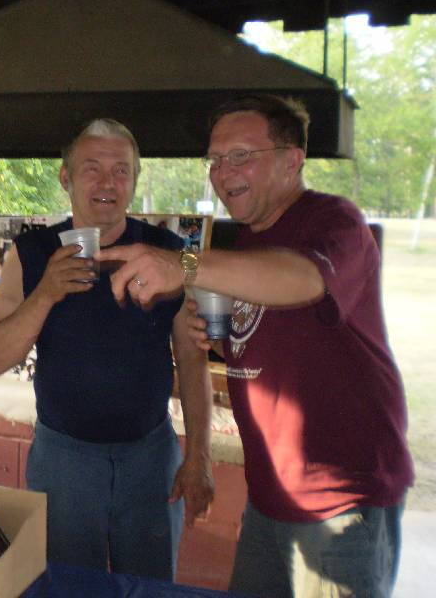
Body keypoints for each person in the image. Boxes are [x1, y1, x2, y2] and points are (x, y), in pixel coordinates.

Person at [98, 95, 414, 597]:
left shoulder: (334, 221)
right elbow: (273, 342)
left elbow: (306, 280)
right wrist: (220, 342)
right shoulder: (249, 240)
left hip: (339, 501)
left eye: (241, 155)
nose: (223, 172)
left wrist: (182, 264)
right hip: (268, 500)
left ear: (292, 160)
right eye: (215, 160)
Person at [0, 119, 214, 580]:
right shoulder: (28, 252)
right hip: (62, 458)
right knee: (68, 587)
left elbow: (194, 358)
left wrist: (199, 458)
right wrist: (46, 293)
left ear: (135, 181)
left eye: (121, 171)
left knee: (150, 588)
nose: (108, 183)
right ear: (65, 178)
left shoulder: (175, 251)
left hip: (151, 456)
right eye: (92, 169)